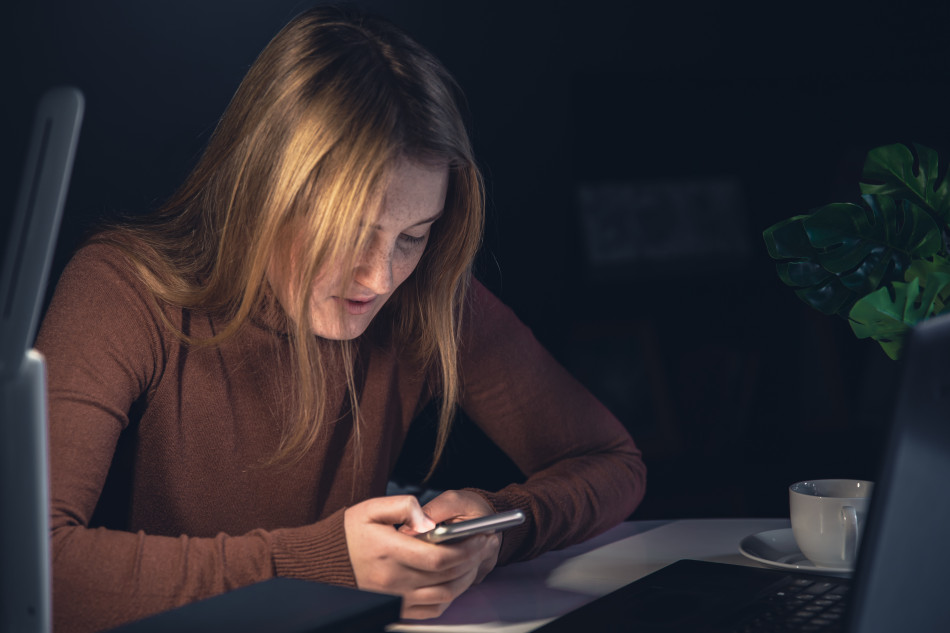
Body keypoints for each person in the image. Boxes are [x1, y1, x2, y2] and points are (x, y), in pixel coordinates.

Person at [36, 6, 646, 632]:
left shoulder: (428, 298)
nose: (380, 279)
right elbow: (34, 567)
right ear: (265, 190)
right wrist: (320, 563)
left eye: (413, 236)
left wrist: (499, 528)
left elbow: (612, 460)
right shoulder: (120, 290)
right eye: (350, 233)